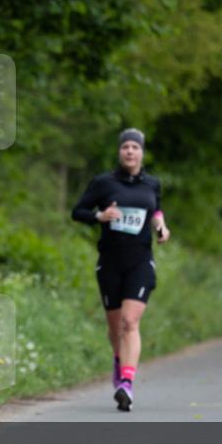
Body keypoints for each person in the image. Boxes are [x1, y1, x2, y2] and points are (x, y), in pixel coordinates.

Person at [72, 128, 170, 412]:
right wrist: (99, 216)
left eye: (135, 147)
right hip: (110, 262)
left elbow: (156, 211)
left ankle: (126, 382)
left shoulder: (152, 184)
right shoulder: (104, 183)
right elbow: (77, 211)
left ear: (142, 152)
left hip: (140, 261)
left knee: (130, 322)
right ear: (119, 151)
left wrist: (161, 227)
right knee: (115, 328)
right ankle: (119, 360)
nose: (130, 151)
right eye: (126, 146)